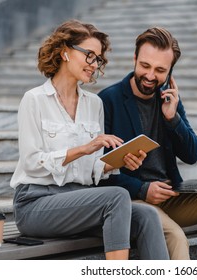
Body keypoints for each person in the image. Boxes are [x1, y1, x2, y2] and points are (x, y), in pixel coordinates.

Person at [10, 20, 169, 260]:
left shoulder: (94, 104)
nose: (94, 65)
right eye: (89, 55)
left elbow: (94, 168)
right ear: (65, 51)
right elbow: (32, 162)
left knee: (146, 216)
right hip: (35, 203)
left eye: (98, 59)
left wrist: (119, 161)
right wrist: (84, 148)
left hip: (80, 201)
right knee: (117, 196)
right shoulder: (34, 100)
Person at [98, 27, 197, 260]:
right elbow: (99, 171)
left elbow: (193, 154)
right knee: (176, 236)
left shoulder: (169, 99)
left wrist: (172, 118)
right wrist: (142, 189)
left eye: (160, 70)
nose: (151, 75)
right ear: (134, 59)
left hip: (171, 195)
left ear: (170, 72)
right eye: (145, 66)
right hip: (133, 201)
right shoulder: (108, 100)